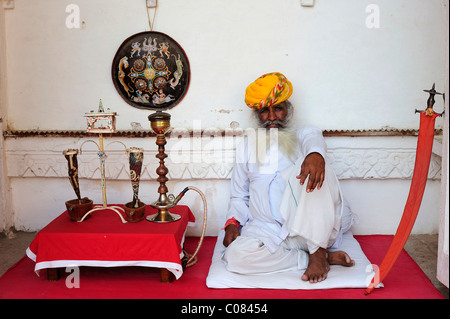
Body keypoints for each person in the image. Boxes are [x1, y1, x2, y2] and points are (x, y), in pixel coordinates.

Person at [222, 72, 355, 283]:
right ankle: (314, 258)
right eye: (265, 111)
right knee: (235, 258)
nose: (272, 117)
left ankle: (317, 250)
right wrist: (232, 223)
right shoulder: (246, 147)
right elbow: (239, 196)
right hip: (266, 228)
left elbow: (314, 138)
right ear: (257, 115)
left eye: (278, 108)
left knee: (316, 165)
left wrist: (314, 155)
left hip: (310, 229)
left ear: (288, 110)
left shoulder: (304, 135)